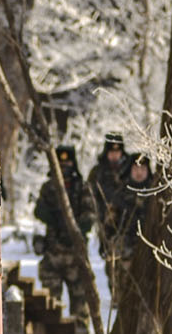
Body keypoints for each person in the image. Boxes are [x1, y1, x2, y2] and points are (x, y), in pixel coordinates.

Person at [36, 144, 99, 320]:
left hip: (75, 255)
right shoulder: (49, 188)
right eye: (60, 164)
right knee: (49, 307)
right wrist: (55, 220)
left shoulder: (82, 188)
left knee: (80, 308)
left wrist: (74, 231)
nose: (64, 168)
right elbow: (39, 210)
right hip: (53, 253)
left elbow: (90, 216)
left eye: (67, 163)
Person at [87, 131, 130, 251]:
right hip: (105, 223)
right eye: (112, 152)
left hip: (128, 222)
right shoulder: (97, 172)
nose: (115, 155)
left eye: (117, 152)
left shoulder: (129, 170)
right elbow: (90, 196)